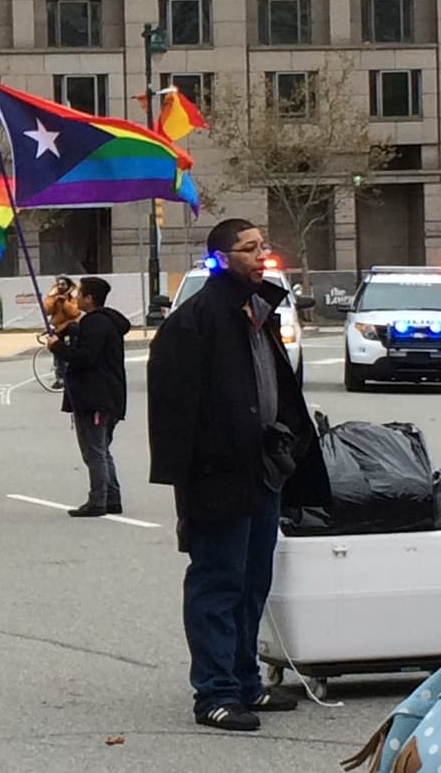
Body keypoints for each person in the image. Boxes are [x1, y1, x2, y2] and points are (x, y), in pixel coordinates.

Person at [148, 218, 327, 732]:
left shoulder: (258, 311)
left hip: (263, 470)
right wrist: (194, 478)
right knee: (218, 582)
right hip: (217, 477)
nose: (260, 255)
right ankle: (215, 694)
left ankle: (248, 682)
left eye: (262, 246)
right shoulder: (196, 321)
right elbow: (176, 410)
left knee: (253, 582)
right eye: (248, 248)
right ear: (223, 258)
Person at [48, 276, 130, 518]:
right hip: (108, 395)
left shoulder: (95, 324)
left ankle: (98, 500)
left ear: (89, 298)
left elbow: (86, 357)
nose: (76, 298)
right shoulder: (106, 322)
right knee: (102, 449)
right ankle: (111, 497)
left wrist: (58, 348)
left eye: (80, 294)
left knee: (93, 451)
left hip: (94, 395)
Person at [43, 276, 80, 389]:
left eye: (63, 284)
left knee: (74, 340)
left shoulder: (73, 295)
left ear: (68, 285)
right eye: (58, 284)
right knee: (57, 349)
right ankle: (60, 377)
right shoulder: (53, 295)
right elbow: (46, 310)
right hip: (58, 326)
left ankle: (75, 371)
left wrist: (64, 301)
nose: (60, 286)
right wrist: (53, 298)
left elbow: (74, 312)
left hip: (71, 325)